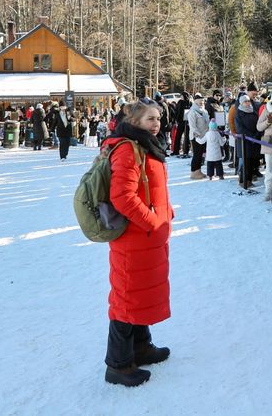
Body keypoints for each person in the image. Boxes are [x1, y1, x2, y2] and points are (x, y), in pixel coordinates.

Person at [101, 100, 172, 387]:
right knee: (126, 298)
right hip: (135, 237)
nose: (156, 124)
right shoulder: (129, 148)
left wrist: (165, 213)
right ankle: (117, 365)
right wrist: (152, 221)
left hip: (147, 236)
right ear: (134, 121)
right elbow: (123, 197)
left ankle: (141, 348)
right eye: (150, 119)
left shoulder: (145, 144)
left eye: (158, 119)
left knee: (139, 294)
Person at [257, 84, 272, 201]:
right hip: (270, 142)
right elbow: (258, 127)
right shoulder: (266, 109)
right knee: (270, 169)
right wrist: (267, 122)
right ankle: (268, 192)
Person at [235, 94, 261, 188]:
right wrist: (251, 136)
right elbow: (239, 128)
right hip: (245, 142)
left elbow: (258, 123)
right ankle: (244, 181)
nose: (247, 103)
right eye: (245, 101)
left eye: (248, 101)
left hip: (254, 141)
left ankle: (249, 180)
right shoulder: (239, 112)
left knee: (252, 162)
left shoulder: (253, 111)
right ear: (241, 103)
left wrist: (257, 135)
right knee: (246, 162)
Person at [187, 93, 210, 179]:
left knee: (200, 155)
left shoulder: (204, 111)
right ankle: (194, 172)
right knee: (196, 155)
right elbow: (192, 126)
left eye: (202, 102)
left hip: (204, 136)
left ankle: (198, 170)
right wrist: (197, 135)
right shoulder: (192, 112)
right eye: (200, 102)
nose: (201, 103)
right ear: (195, 102)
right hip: (196, 137)